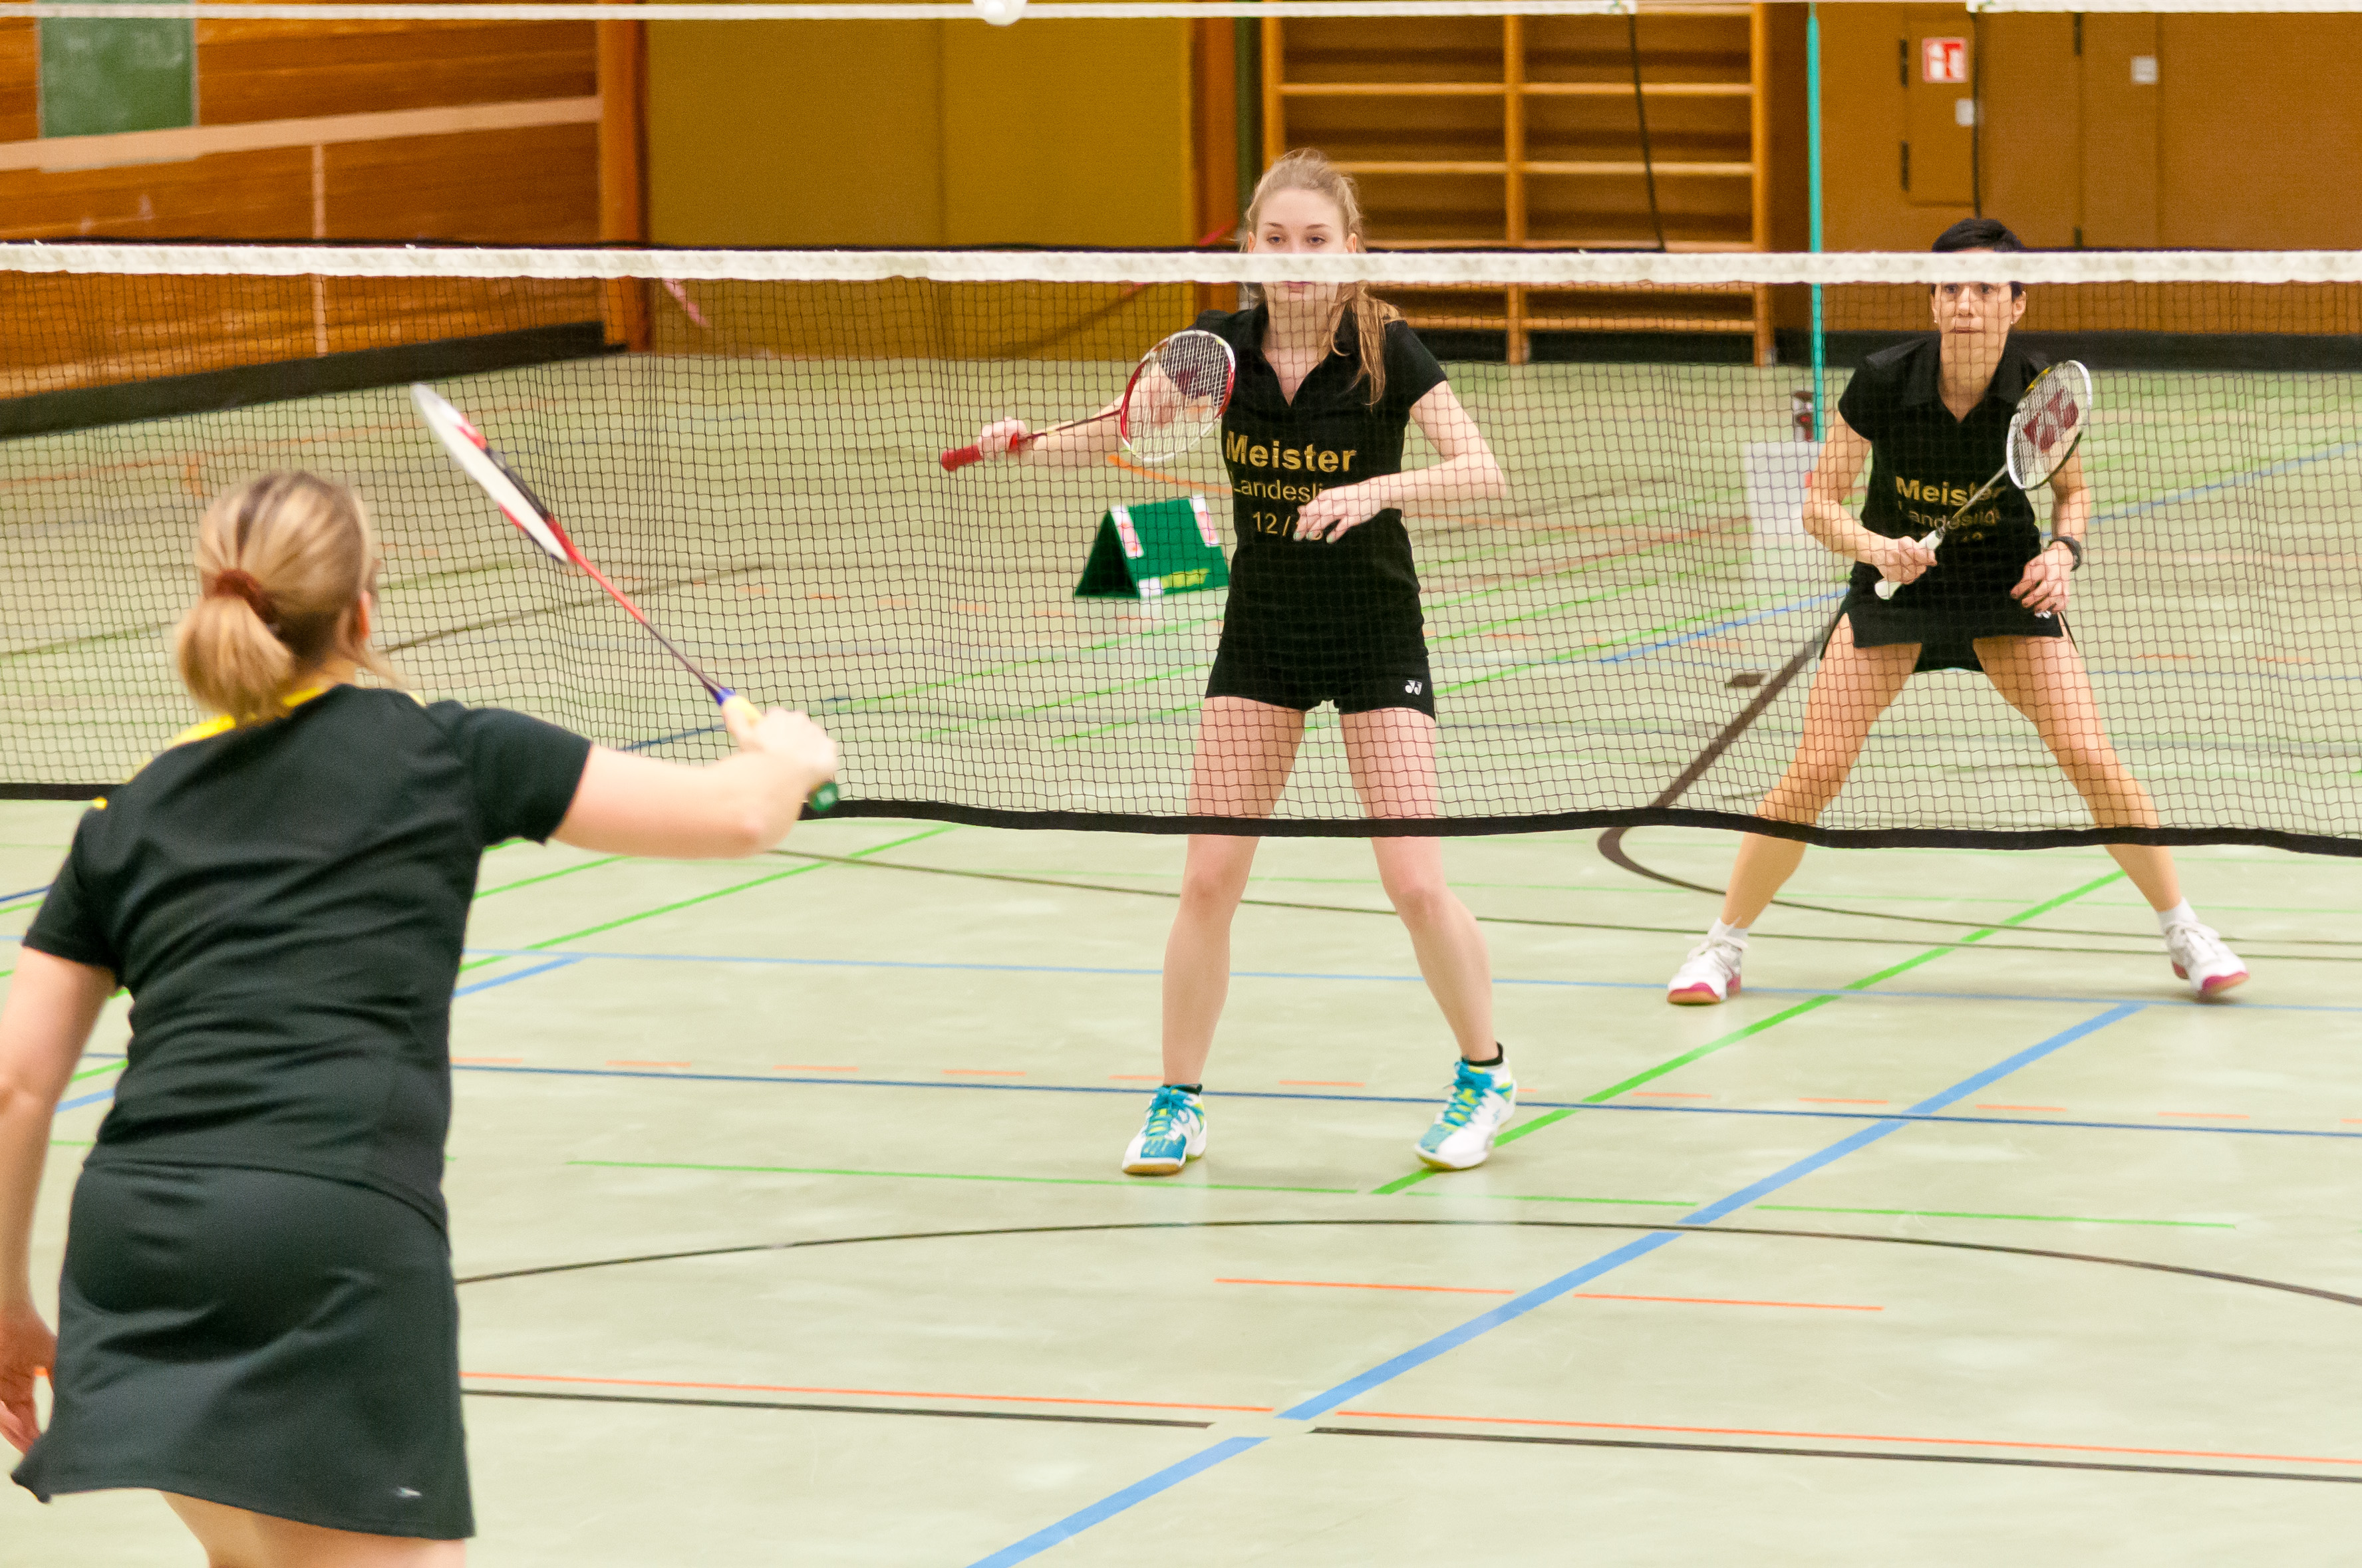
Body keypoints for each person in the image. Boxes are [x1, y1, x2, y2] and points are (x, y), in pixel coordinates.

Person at [0, 472, 838, 1565]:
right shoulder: (448, 750)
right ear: (361, 610)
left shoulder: (127, 811)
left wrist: (4, 1303)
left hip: (137, 1245)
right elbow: (736, 815)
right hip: (323, 1236)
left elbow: (16, 1082)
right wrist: (790, 758)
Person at [968, 150, 1515, 1176]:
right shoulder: (1214, 350)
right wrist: (1027, 443)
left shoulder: (1386, 348)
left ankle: (1484, 1074)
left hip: (1373, 631)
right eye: (1276, 239)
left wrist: (1376, 491)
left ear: (1349, 249)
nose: (1295, 257)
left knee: (1413, 882)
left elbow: (1481, 470)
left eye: (1316, 240)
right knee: (1208, 877)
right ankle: (1177, 1100)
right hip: (1262, 631)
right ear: (1249, 248)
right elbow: (1121, 427)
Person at [1666, 218, 2247, 1006]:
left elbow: (2071, 495)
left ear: (2016, 302)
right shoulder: (1882, 379)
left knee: (2090, 756)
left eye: (1983, 288)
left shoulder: (2039, 388)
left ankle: (2183, 931)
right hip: (1897, 589)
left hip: (2003, 589)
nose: (1964, 303)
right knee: (1816, 769)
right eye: (1949, 289)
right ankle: (1721, 946)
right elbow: (1817, 503)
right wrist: (1876, 548)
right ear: (1931, 300)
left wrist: (2061, 554)